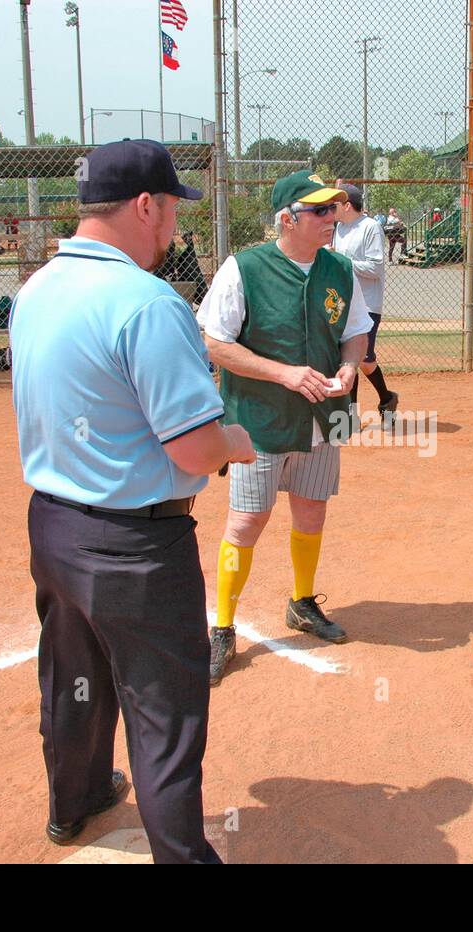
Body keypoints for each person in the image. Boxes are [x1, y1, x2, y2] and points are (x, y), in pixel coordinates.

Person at [10, 139, 255, 864]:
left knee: (74, 681)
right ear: (145, 205)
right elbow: (194, 450)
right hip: (137, 545)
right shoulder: (148, 302)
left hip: (53, 525)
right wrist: (235, 440)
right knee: (165, 716)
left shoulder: (37, 286)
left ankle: (74, 802)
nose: (173, 226)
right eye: (172, 209)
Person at [199, 170, 372, 686]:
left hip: (323, 417)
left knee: (312, 511)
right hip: (260, 421)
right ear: (287, 218)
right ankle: (223, 628)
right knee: (248, 520)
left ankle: (301, 602)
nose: (332, 218)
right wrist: (284, 373)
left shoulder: (339, 269)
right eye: (319, 211)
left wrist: (347, 367)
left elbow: (356, 333)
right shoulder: (245, 268)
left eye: (334, 209)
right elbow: (215, 343)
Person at [334, 183, 399, 418]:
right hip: (343, 303)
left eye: (336, 204)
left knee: (365, 360)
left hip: (368, 304)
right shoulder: (338, 227)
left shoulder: (370, 227)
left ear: (348, 205)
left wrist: (340, 260)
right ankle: (351, 415)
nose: (332, 208)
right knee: (347, 359)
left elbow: (374, 267)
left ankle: (387, 398)